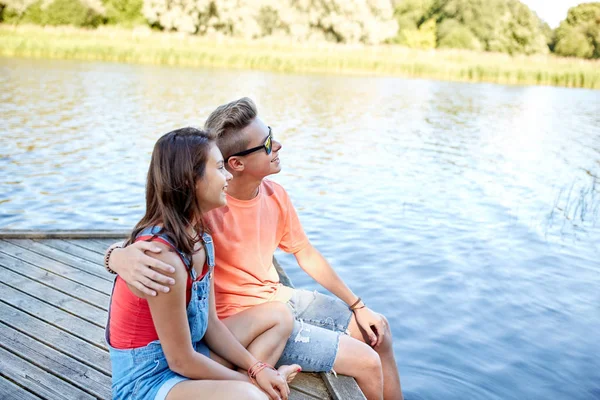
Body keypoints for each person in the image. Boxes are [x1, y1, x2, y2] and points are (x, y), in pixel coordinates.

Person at [106, 100, 404, 400]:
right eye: (268, 143)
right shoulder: (198, 220)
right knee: (365, 362)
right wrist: (116, 257)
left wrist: (357, 305)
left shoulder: (210, 230)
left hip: (265, 308)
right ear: (235, 164)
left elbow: (304, 251)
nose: (279, 146)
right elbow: (152, 236)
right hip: (187, 351)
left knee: (377, 331)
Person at [106, 127, 300, 400]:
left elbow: (210, 325)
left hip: (191, 351)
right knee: (250, 397)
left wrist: (257, 369)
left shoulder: (200, 238)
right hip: (147, 382)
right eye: (220, 168)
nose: (228, 176)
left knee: (279, 315)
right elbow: (181, 361)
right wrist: (250, 382)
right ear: (189, 181)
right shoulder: (162, 258)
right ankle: (251, 390)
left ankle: (252, 385)